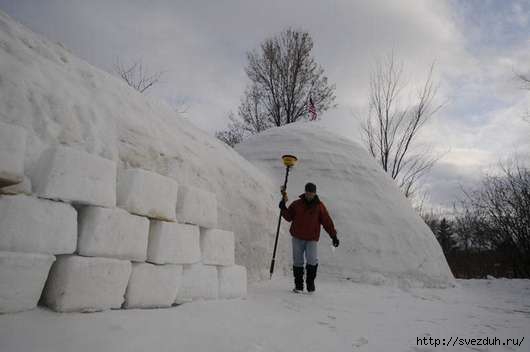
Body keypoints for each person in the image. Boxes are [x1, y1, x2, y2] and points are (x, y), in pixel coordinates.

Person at [279, 182, 339, 293]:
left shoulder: (319, 206)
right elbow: (289, 217)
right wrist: (283, 208)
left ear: (315, 193)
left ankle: (310, 284)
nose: (309, 195)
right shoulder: (297, 204)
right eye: (308, 192)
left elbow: (327, 222)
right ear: (305, 192)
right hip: (297, 237)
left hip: (311, 239)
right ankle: (299, 286)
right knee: (298, 261)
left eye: (311, 193)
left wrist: (333, 236)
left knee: (312, 260)